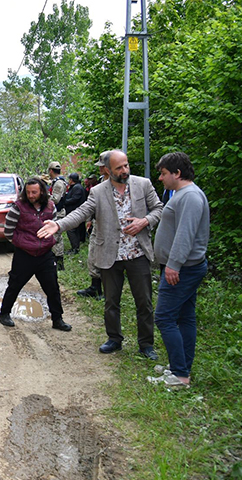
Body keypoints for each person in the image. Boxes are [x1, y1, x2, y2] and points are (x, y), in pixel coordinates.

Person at [38, 149, 163, 359]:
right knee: (111, 302)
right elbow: (81, 213)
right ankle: (114, 339)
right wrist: (58, 225)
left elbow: (158, 209)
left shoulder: (143, 184)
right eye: (119, 168)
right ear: (107, 170)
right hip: (110, 255)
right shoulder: (98, 191)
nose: (125, 171)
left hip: (138, 254)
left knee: (144, 302)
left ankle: (146, 345)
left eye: (126, 165)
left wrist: (145, 221)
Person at [151, 152, 210, 387]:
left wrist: (173, 265)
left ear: (177, 173)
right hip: (182, 267)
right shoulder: (183, 194)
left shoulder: (191, 197)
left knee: (164, 317)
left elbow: (185, 234)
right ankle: (181, 368)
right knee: (185, 317)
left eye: (164, 173)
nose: (161, 178)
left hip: (183, 268)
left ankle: (179, 374)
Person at [0, 178, 71, 331]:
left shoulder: (50, 207)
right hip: (24, 255)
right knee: (14, 285)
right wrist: (20, 243)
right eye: (28, 192)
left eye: (34, 192)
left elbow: (55, 227)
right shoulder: (18, 207)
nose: (31, 195)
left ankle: (57, 319)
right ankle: (4, 314)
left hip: (45, 255)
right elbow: (8, 230)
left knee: (52, 288)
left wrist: (50, 242)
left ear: (42, 191)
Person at [77, 151, 111, 299]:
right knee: (93, 256)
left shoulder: (117, 184)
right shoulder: (102, 182)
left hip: (109, 227)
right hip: (98, 224)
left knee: (106, 258)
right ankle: (94, 287)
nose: (100, 169)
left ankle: (106, 291)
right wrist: (89, 219)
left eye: (102, 166)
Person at [42, 161, 67, 271]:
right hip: (57, 212)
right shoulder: (57, 182)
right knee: (56, 238)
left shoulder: (58, 183)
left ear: (51, 171)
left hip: (59, 213)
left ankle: (58, 262)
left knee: (56, 238)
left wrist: (44, 195)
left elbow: (55, 199)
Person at [63, 172, 87, 254]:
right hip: (75, 212)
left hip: (75, 212)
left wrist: (64, 202)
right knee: (75, 230)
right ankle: (76, 247)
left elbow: (75, 199)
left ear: (71, 180)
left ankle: (75, 248)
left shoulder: (77, 188)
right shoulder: (75, 187)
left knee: (71, 230)